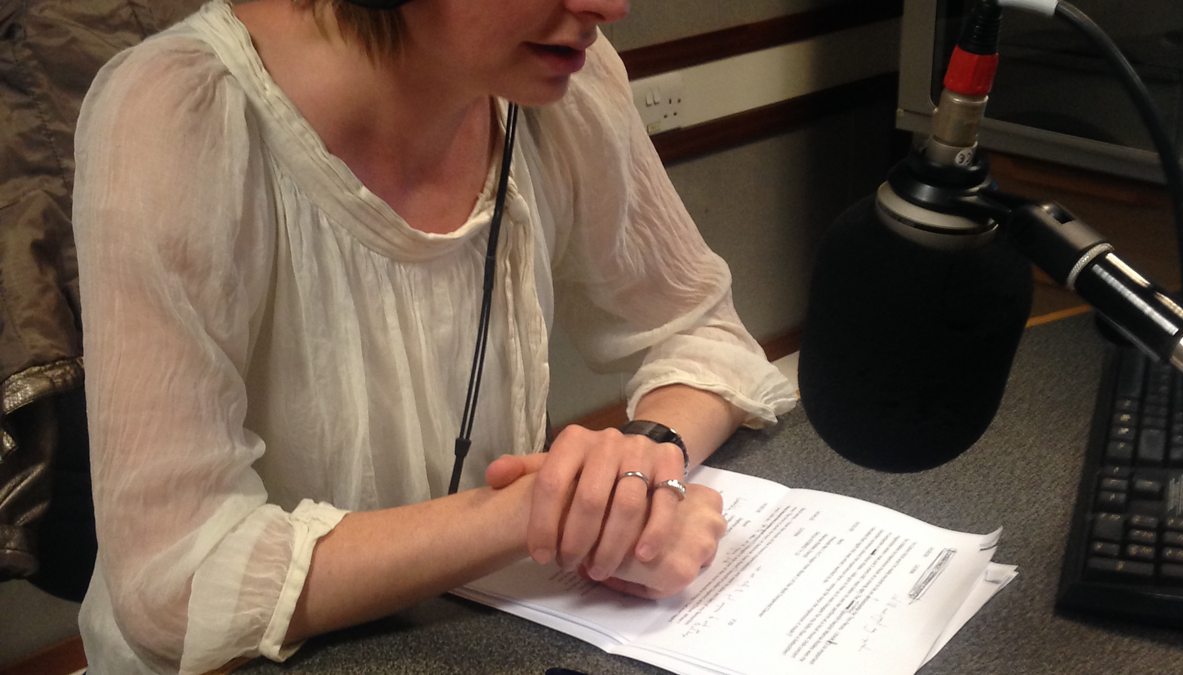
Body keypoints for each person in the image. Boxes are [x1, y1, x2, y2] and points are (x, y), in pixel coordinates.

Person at [71, 0, 796, 671]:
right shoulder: (176, 113)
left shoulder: (559, 82)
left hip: (479, 633)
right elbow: (178, 586)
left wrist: (639, 463)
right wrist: (534, 510)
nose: (610, 6)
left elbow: (703, 332)